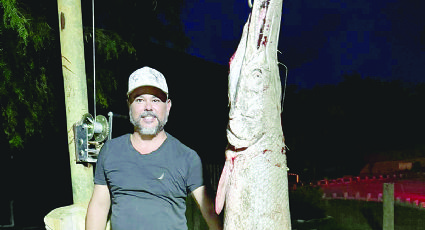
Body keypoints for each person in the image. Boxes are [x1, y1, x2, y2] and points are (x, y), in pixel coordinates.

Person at [86, 67, 222, 230]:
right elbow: (99, 206)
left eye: (156, 100)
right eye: (139, 100)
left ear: (168, 106)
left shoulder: (187, 158)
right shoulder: (110, 151)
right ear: (129, 105)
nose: (148, 107)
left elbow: (210, 211)